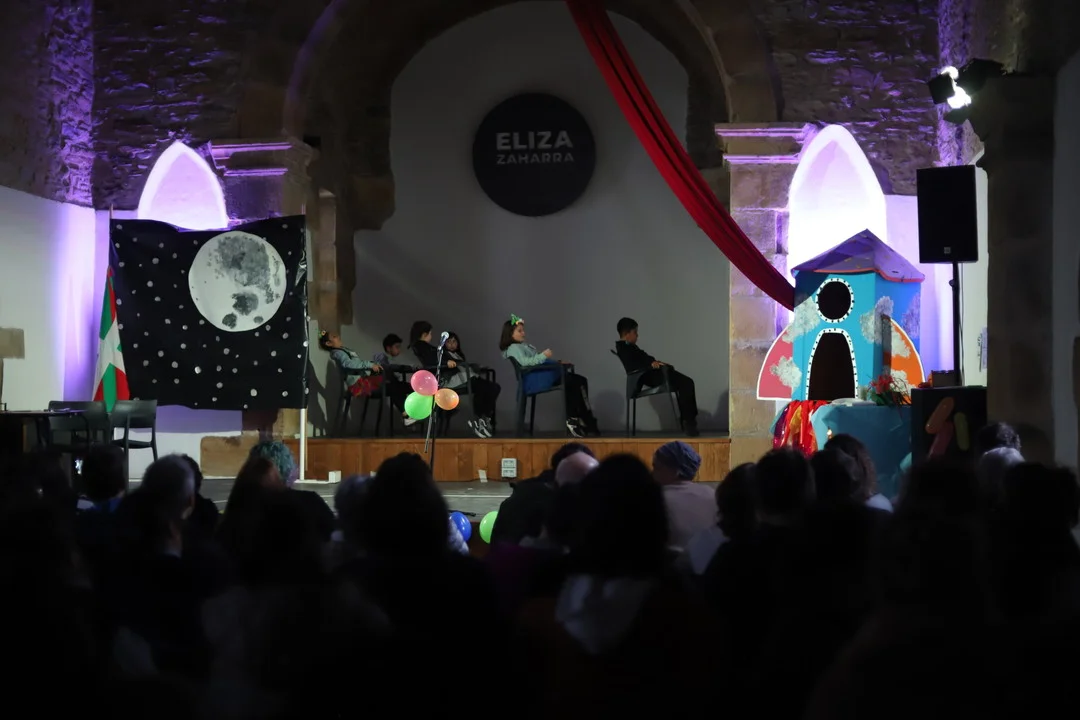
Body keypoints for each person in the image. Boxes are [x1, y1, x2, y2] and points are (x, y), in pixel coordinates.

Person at [499, 314, 599, 437]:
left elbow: (536, 360)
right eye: (519, 331)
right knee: (575, 382)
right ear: (510, 334)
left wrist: (556, 362)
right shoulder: (514, 348)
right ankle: (577, 418)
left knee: (579, 381)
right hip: (536, 379)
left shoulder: (521, 346)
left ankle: (581, 418)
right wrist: (544, 355)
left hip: (541, 374)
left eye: (523, 330)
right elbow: (526, 363)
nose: (523, 333)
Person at [408, 321, 500, 438]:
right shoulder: (421, 346)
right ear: (424, 334)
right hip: (451, 378)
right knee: (487, 387)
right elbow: (432, 361)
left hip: (461, 375)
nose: (431, 336)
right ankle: (478, 418)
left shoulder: (426, 347)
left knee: (492, 388)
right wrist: (446, 362)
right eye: (430, 333)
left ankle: (482, 417)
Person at [614, 317, 699, 436]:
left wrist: (655, 362)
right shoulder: (624, 348)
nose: (637, 335)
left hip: (652, 372)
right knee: (687, 383)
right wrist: (651, 364)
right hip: (649, 376)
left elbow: (644, 357)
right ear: (627, 334)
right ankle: (688, 421)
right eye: (635, 332)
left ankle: (687, 420)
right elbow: (634, 365)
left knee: (686, 382)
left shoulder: (629, 346)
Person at [651, 441, 715, 551]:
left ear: (676, 471)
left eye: (657, 467)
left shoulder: (653, 501)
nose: (652, 473)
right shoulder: (712, 494)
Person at [318, 330, 383, 397]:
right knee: (386, 385)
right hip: (358, 384)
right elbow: (349, 364)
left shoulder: (341, 350)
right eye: (334, 336)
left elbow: (357, 363)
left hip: (361, 380)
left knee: (384, 377)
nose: (338, 337)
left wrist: (372, 364)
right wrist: (370, 365)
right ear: (328, 343)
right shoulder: (338, 353)